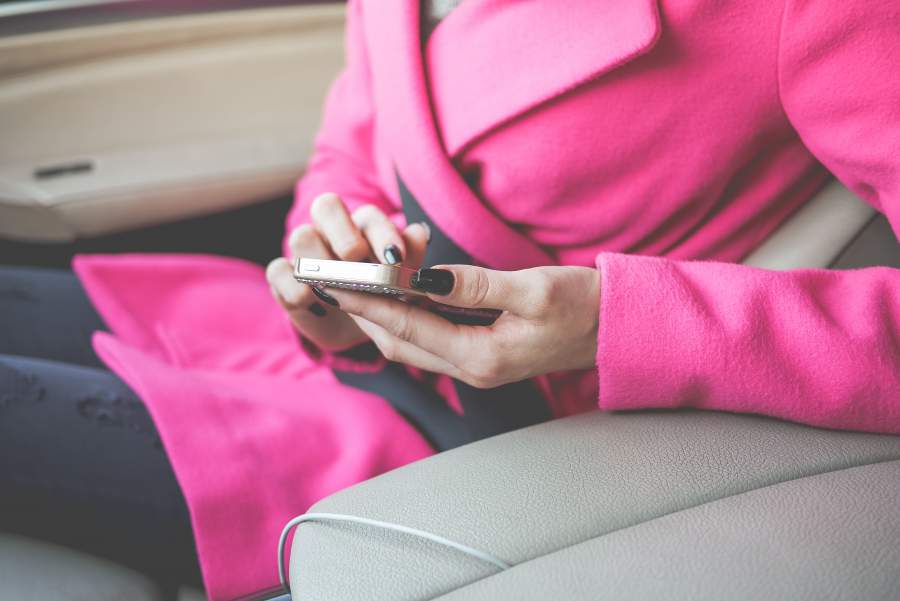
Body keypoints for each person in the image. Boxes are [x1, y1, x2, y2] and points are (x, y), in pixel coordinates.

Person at [2, 1, 899, 598]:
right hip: (323, 346)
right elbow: (354, 146)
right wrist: (324, 259)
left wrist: (619, 321)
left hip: (505, 437)